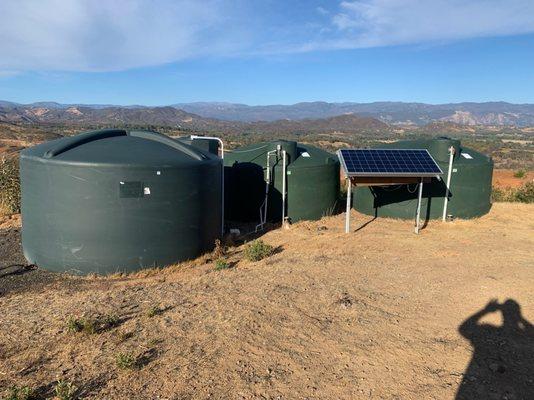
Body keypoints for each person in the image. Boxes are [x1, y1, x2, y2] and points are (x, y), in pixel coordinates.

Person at [456, 299, 534, 399]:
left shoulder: (489, 328)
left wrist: (485, 311)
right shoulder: (523, 332)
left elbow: (463, 328)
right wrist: (520, 319)